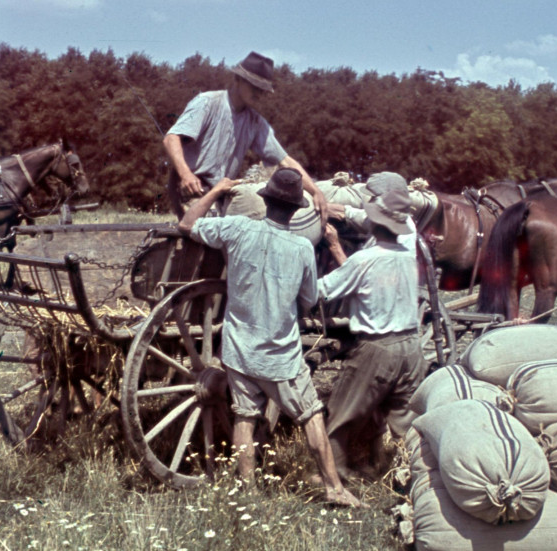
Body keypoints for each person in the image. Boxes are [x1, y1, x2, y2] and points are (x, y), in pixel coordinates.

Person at [178, 167, 360, 507]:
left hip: (238, 349)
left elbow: (187, 225)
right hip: (280, 355)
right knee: (310, 415)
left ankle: (248, 494)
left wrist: (217, 190)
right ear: (295, 210)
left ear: (265, 202)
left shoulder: (237, 228)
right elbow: (307, 301)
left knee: (244, 416)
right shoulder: (304, 249)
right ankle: (334, 489)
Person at [318, 176, 425, 480]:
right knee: (406, 417)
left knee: (340, 412)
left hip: (378, 348)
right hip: (411, 346)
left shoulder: (363, 260)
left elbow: (320, 291)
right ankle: (417, 476)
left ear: (373, 224)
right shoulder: (407, 257)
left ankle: (335, 476)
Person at [164, 51, 327, 225]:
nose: (258, 93)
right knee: (206, 236)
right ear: (238, 79)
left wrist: (316, 192)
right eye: (254, 86)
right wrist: (186, 175)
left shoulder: (255, 122)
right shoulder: (207, 102)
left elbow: (285, 161)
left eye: (262, 89)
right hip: (192, 190)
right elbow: (171, 138)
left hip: (222, 193)